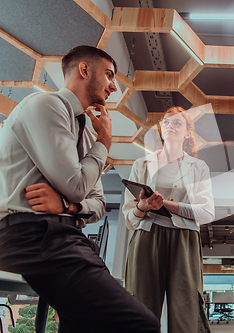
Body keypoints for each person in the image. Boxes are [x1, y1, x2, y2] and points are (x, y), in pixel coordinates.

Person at [0, 45, 159, 332]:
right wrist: (105, 141)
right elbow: (76, 186)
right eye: (110, 75)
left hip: (65, 235)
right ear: (84, 70)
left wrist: (67, 207)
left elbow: (97, 203)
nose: (113, 86)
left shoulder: (85, 131)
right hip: (32, 235)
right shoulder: (46, 105)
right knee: (141, 324)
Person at [122, 106, 215, 333]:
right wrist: (142, 208)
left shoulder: (198, 167)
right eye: (166, 122)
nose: (170, 126)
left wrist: (166, 204)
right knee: (140, 307)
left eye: (177, 123)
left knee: (187, 312)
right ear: (160, 131)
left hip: (184, 240)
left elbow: (206, 212)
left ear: (187, 133)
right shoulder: (141, 165)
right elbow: (129, 218)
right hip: (146, 237)